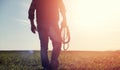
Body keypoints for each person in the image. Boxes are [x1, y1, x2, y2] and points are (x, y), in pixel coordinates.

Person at [28, 0, 67, 70]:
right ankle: (52, 63)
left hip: (45, 23)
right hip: (51, 23)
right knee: (56, 44)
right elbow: (62, 7)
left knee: (44, 46)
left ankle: (48, 66)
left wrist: (32, 24)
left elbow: (31, 9)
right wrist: (64, 20)